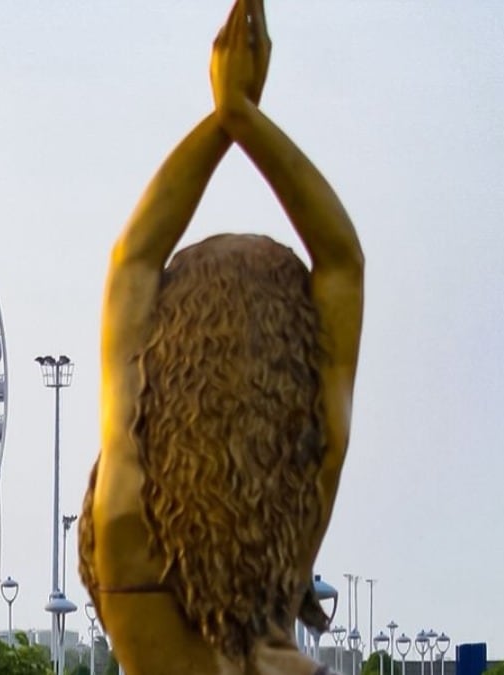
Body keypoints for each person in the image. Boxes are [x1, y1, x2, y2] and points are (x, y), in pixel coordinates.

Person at [78, 1, 364, 673]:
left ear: (168, 349)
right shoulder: (300, 496)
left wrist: (222, 116)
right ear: (290, 369)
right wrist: (243, 113)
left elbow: (133, 260)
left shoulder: (127, 509)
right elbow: (342, 263)